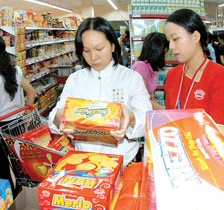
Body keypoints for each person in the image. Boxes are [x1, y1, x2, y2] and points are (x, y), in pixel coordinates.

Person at [48, 17, 152, 167]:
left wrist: (132, 118)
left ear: (113, 46)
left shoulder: (131, 78)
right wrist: (59, 117)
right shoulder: (75, 79)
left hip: (123, 162)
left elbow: (146, 120)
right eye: (86, 51)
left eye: (99, 49)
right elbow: (55, 117)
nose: (93, 57)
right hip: (84, 163)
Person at [0, 35, 35, 194]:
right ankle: (23, 194)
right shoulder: (16, 70)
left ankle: (11, 198)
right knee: (18, 163)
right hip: (16, 125)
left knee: (2, 167)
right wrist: (26, 116)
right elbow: (31, 92)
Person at [164, 9, 224, 125]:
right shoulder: (172, 75)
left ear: (195, 36)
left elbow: (216, 127)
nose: (171, 46)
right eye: (169, 40)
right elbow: (170, 113)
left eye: (175, 39)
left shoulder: (220, 76)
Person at [131, 32, 169, 109]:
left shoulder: (153, 68)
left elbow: (150, 95)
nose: (167, 55)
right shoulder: (141, 67)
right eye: (165, 52)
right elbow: (142, 99)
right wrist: (166, 110)